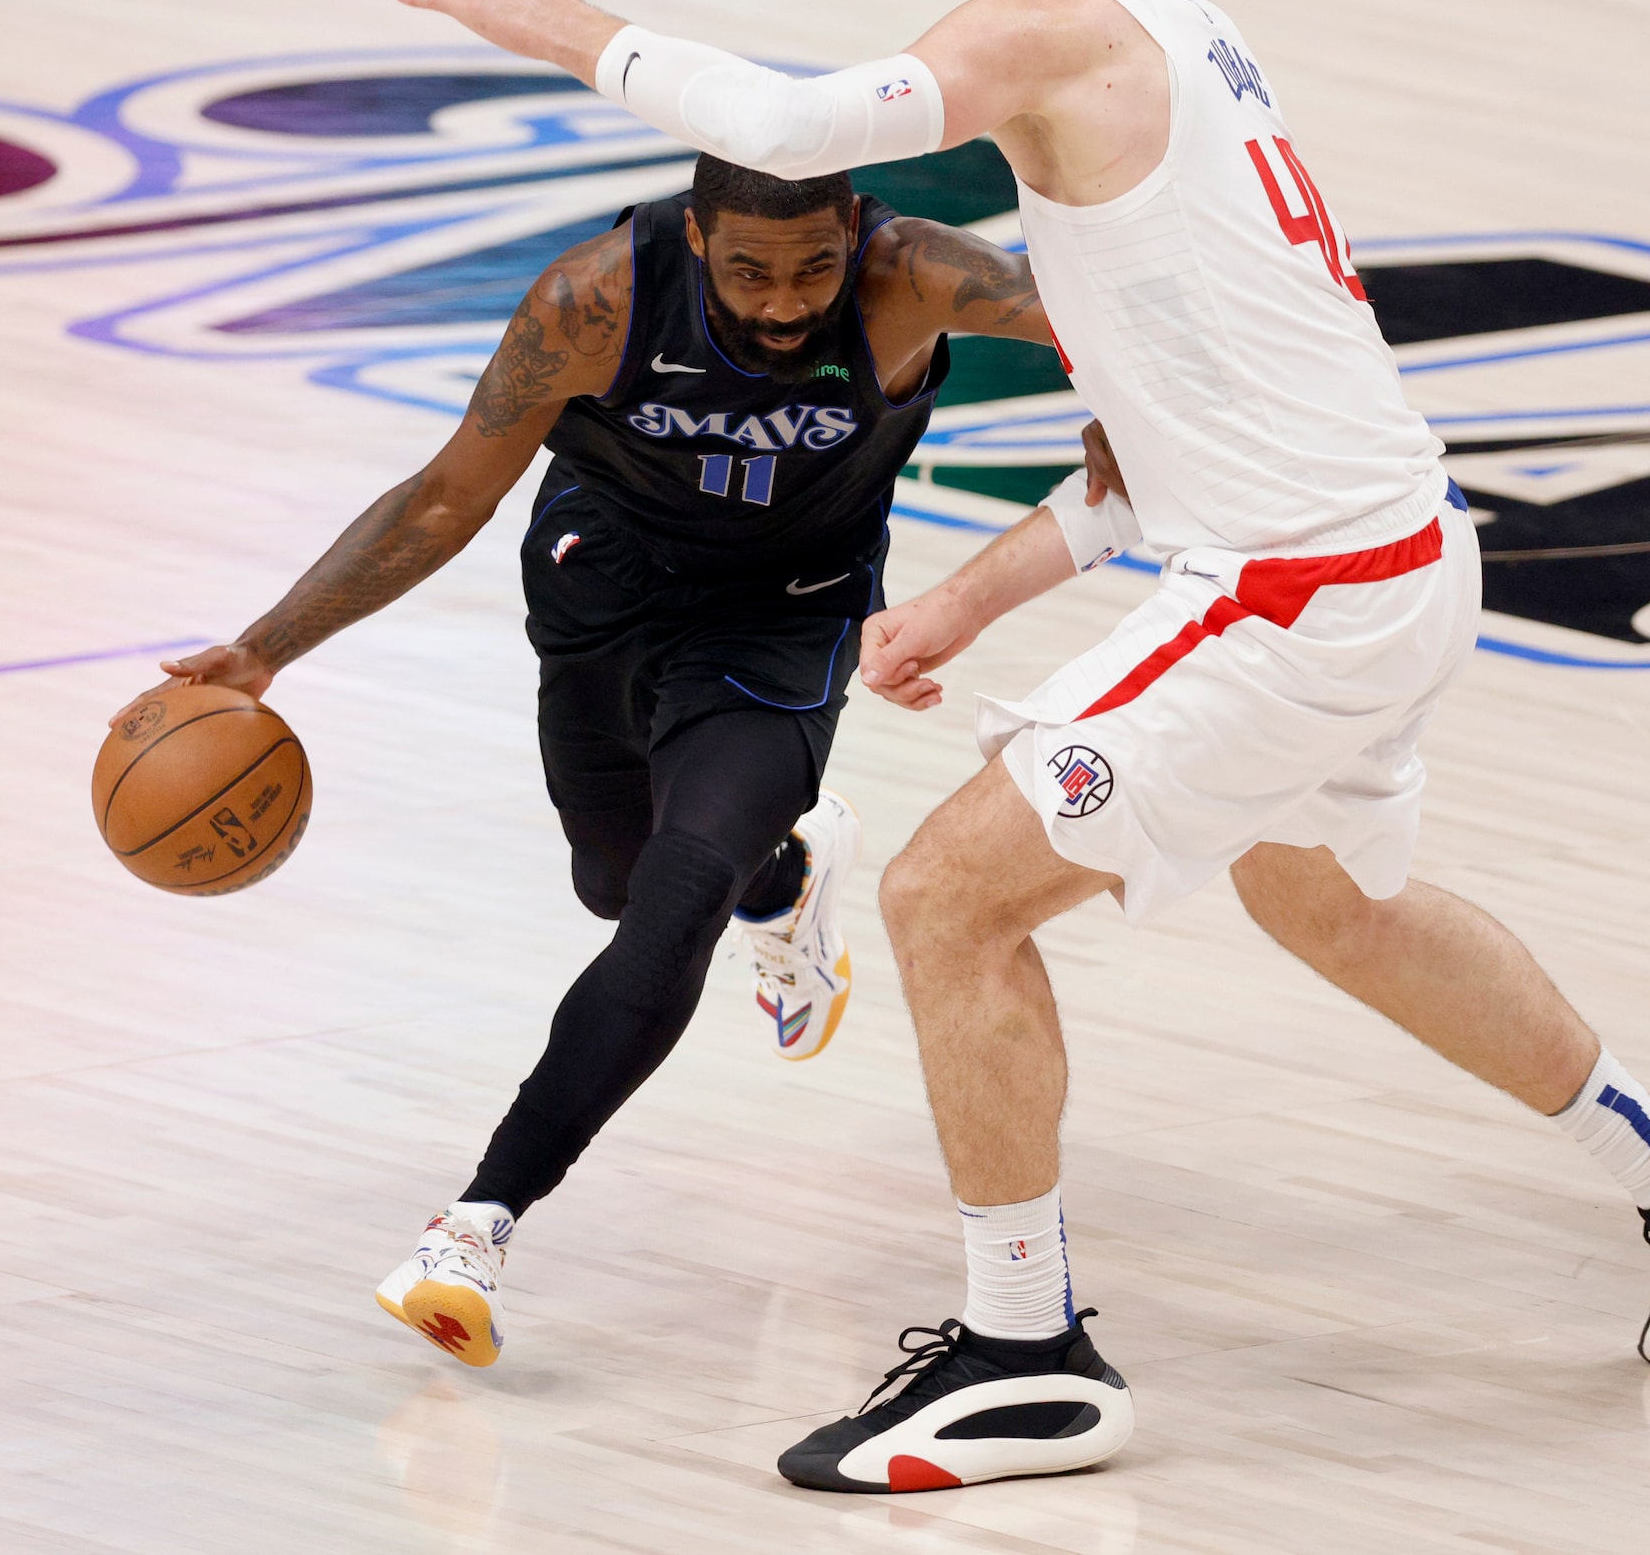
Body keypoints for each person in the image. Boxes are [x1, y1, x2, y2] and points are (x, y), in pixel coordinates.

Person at [396, 0, 1650, 1490]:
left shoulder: (1051, 35)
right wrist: (972, 598)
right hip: (1401, 550)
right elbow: (1167, 442)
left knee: (943, 899)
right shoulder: (1194, 40)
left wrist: (567, 22)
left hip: (1299, 596)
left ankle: (1024, 1350)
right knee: (1338, 910)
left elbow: (781, 132)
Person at [138, 154, 1056, 1367]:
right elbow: (438, 499)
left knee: (669, 909)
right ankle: (783, 881)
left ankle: (473, 1227)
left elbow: (1124, 316)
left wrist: (1133, 427)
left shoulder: (914, 276)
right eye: (748, 274)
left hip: (786, 614)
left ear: (853, 232)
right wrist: (265, 650)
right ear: (693, 235)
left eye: (811, 270)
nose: (784, 304)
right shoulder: (595, 301)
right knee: (616, 885)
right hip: (604, 584)